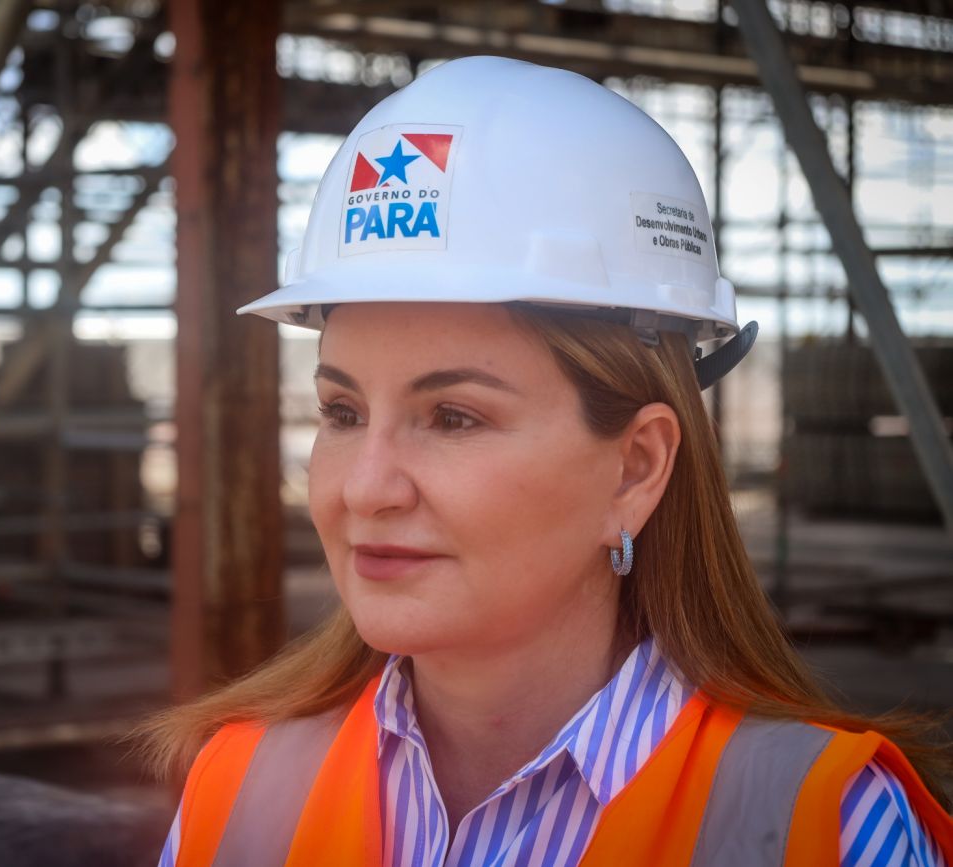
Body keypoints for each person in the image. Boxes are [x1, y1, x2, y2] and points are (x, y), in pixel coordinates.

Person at [137, 56, 953, 866]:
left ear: (635, 469)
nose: (366, 487)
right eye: (342, 412)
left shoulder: (828, 829)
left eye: (453, 417)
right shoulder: (238, 786)